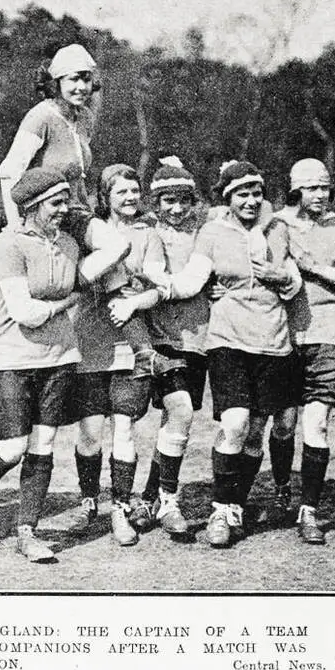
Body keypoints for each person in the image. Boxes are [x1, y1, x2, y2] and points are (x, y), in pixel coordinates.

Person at [162, 160, 301, 547]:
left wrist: (279, 277)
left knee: (257, 432)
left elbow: (292, 287)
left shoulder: (277, 231)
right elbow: (191, 280)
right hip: (228, 341)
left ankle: (235, 504)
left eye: (257, 193)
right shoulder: (212, 232)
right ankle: (220, 509)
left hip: (274, 342)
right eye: (243, 194)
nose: (252, 200)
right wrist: (156, 287)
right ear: (228, 198)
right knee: (236, 423)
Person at [70, 163, 194, 545]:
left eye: (134, 191)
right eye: (121, 192)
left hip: (131, 345)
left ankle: (120, 508)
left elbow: (160, 286)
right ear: (104, 197)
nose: (130, 198)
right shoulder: (87, 231)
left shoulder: (148, 234)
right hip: (90, 342)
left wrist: (138, 293)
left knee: (124, 426)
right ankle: (90, 495)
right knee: (90, 434)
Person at [0, 167, 82, 562]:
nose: (64, 209)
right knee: (13, 447)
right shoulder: (8, 244)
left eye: (66, 201)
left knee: (43, 444)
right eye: (56, 203)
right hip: (10, 360)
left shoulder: (69, 243)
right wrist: (65, 304)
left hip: (61, 358)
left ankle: (27, 532)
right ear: (32, 206)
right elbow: (25, 312)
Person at [266, 158, 335, 544]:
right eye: (312, 188)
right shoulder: (275, 223)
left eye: (325, 187)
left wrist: (314, 267)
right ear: (295, 189)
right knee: (284, 421)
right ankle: (280, 489)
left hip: (329, 328)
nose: (320, 195)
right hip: (283, 329)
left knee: (317, 422)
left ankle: (309, 511)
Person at [131, 157, 211, 532]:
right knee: (179, 412)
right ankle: (168, 501)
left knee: (174, 419)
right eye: (168, 201)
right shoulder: (147, 232)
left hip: (196, 339)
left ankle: (150, 498)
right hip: (159, 337)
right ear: (155, 202)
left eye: (183, 200)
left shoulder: (205, 232)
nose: (176, 209)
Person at [0, 43, 100, 227]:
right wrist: (14, 224)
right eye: (74, 79)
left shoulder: (85, 117)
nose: (82, 87)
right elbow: (8, 173)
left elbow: (78, 177)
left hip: (76, 213)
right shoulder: (40, 117)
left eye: (86, 80)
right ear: (56, 82)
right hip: (42, 216)